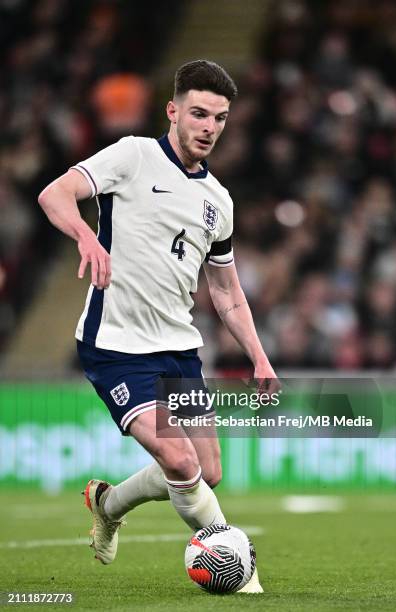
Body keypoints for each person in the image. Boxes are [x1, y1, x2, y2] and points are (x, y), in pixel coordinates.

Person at [38, 59, 278, 593]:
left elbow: (225, 290)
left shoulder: (219, 202)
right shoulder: (134, 155)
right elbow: (54, 194)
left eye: (219, 118)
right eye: (198, 113)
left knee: (205, 470)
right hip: (116, 345)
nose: (209, 126)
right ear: (173, 111)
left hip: (178, 350)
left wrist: (259, 357)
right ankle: (237, 566)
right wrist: (85, 235)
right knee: (177, 457)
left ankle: (107, 503)